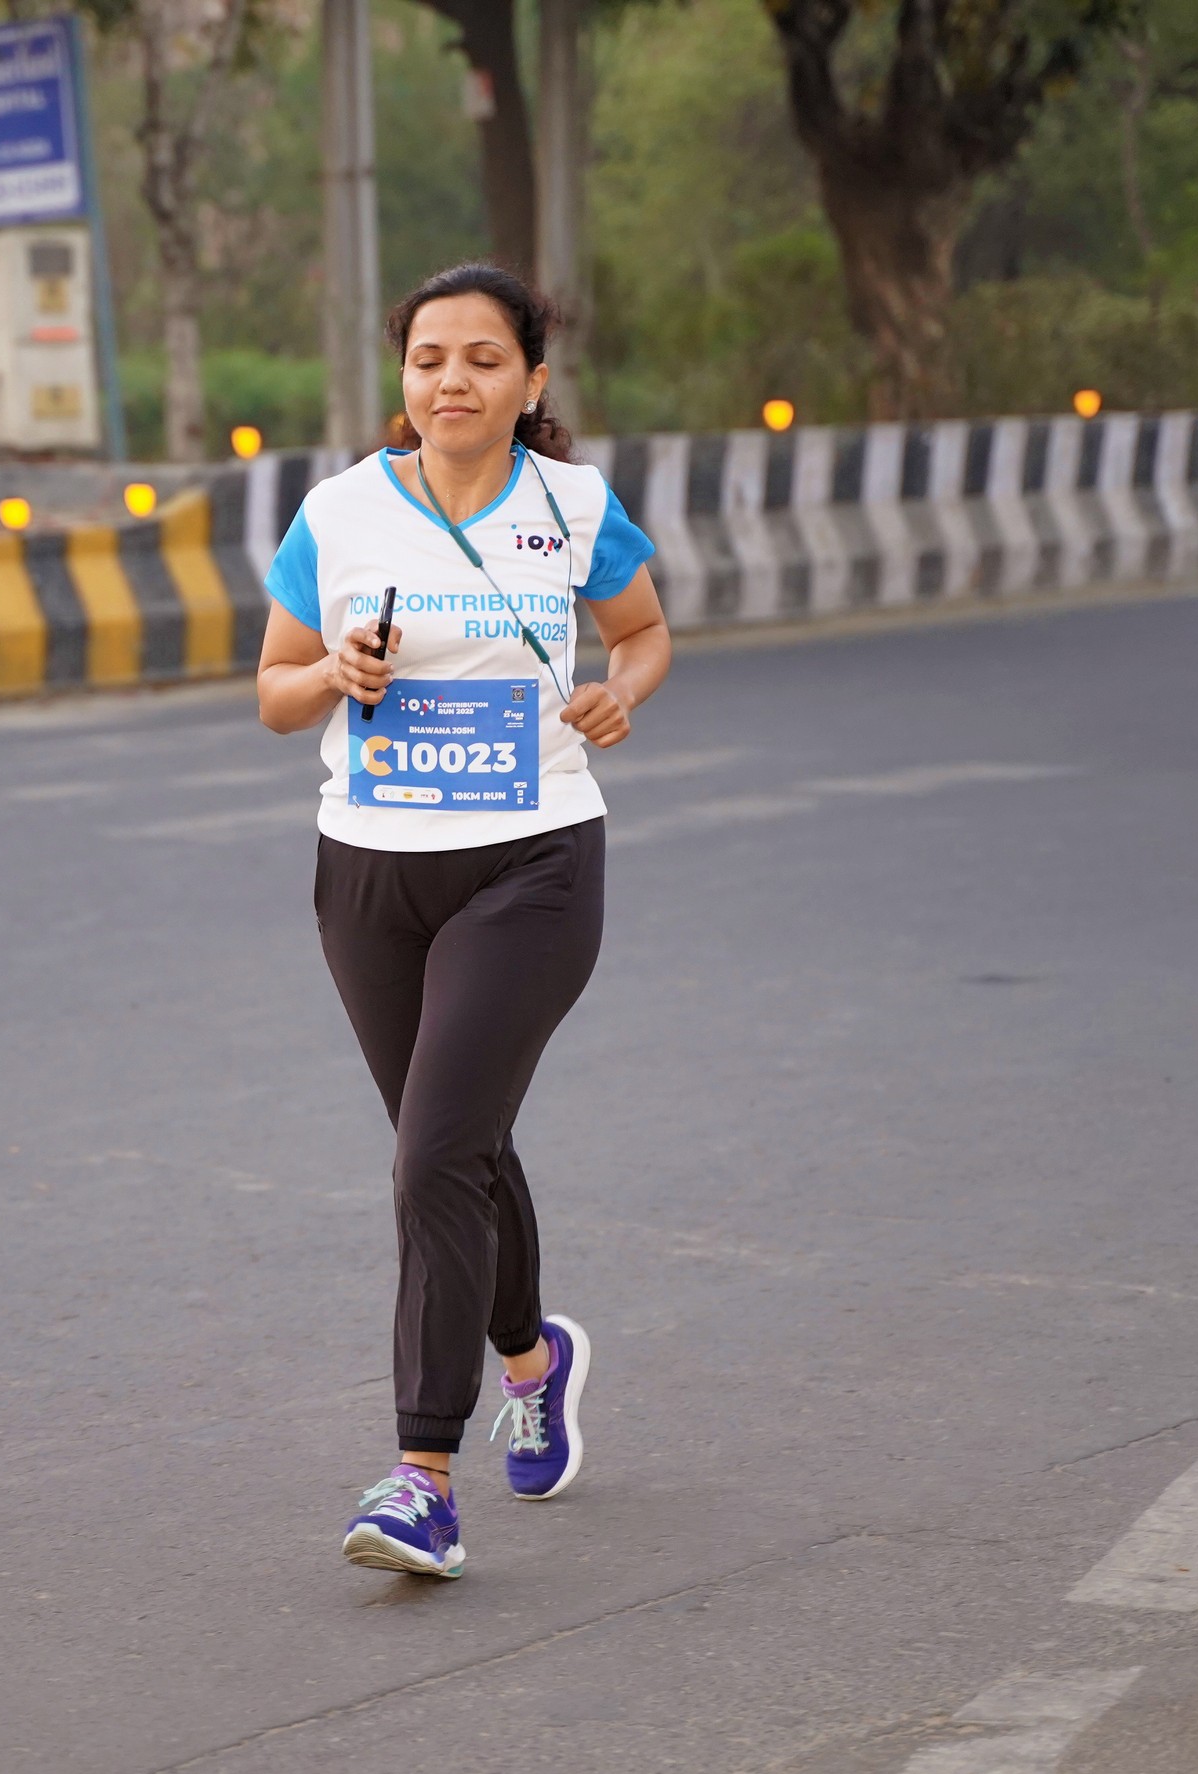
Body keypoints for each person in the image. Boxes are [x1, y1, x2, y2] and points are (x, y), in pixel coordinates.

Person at [255, 264, 672, 1579]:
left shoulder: (573, 506)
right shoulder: (338, 513)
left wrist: (623, 691)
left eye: (485, 359)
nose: (453, 380)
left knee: (434, 1152)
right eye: (430, 357)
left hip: (532, 865)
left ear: (531, 381)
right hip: (371, 874)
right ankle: (535, 1363)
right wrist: (332, 670)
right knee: (456, 1147)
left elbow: (644, 632)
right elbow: (273, 693)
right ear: (404, 378)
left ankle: (421, 1480)